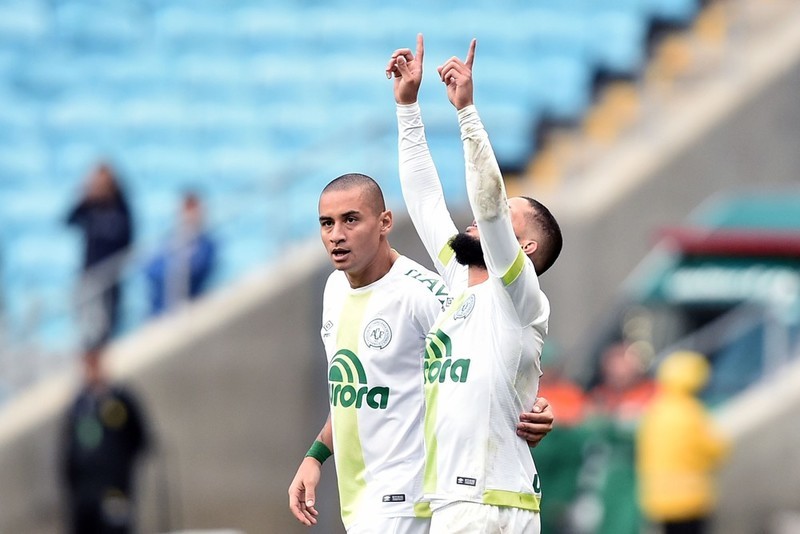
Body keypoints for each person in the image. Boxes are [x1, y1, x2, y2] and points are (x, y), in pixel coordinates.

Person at [287, 173, 554, 533]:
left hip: (409, 499)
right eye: (327, 223)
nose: (337, 234)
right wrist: (316, 456)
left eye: (351, 220)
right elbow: (354, 391)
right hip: (361, 500)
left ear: (384, 223)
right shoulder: (334, 289)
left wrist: (532, 402)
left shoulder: (424, 293)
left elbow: (481, 360)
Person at [390, 35, 562, 532]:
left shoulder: (519, 296)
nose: (481, 222)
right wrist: (407, 108)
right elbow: (424, 200)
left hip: (484, 501)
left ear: (523, 250)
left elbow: (488, 204)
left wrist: (466, 114)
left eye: (508, 222)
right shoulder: (460, 283)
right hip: (465, 499)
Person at [636, 351, 730, 534]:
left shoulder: (654, 411)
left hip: (658, 497)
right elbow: (714, 449)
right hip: (691, 497)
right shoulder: (692, 412)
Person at [60, 346, 150, 534]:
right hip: (84, 495)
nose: (92, 369)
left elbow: (140, 438)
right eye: (88, 363)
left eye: (96, 362)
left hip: (114, 489)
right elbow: (68, 448)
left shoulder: (121, 398)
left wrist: (121, 469)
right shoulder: (79, 405)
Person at [66, 162, 134, 346]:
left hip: (109, 277)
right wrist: (86, 197)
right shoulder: (90, 207)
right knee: (87, 330)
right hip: (89, 275)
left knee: (105, 330)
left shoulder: (120, 209)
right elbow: (68, 220)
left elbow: (128, 239)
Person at [144, 192, 216, 316]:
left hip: (189, 309)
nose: (190, 216)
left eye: (194, 211)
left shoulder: (206, 245)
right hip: (160, 310)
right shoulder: (168, 241)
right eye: (187, 210)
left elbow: (198, 271)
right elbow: (150, 269)